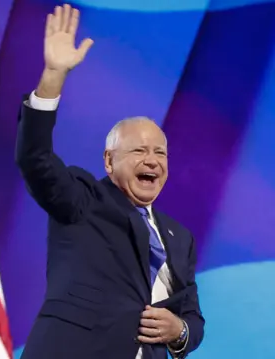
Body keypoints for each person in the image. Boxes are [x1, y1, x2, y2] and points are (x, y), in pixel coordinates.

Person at [15, 4, 205, 359]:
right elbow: (34, 157)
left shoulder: (180, 238)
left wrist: (179, 330)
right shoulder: (83, 199)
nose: (152, 161)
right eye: (139, 151)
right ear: (109, 160)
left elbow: (192, 316)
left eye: (160, 154)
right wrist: (53, 75)